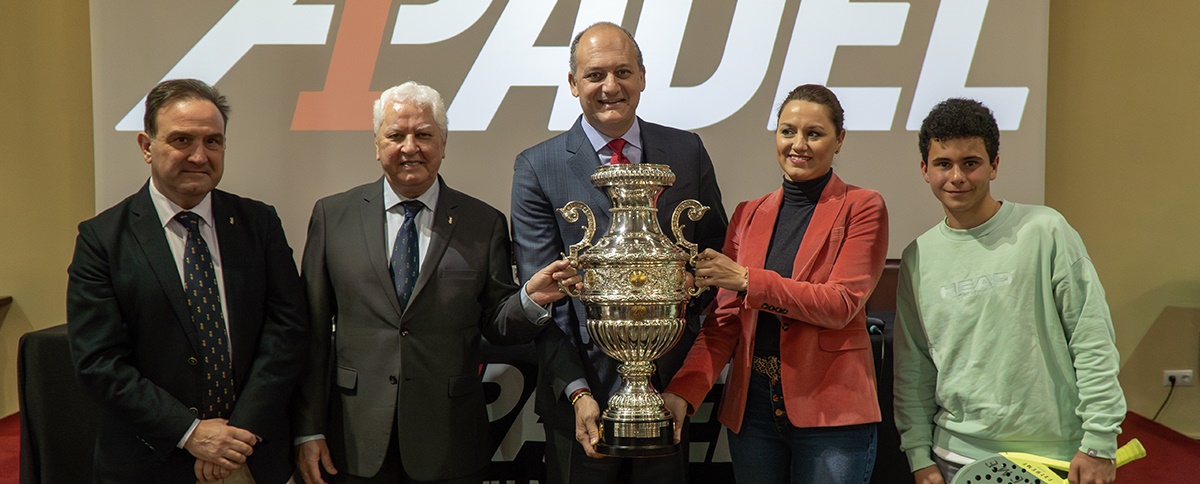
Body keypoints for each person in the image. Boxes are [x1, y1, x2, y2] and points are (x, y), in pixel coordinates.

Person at [291, 80, 581, 484]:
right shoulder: (332, 216)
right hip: (351, 440)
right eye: (396, 135)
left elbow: (497, 325)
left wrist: (531, 299)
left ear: (443, 144)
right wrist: (309, 428)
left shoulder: (483, 223)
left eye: (424, 135)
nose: (410, 147)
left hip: (450, 440)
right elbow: (314, 334)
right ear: (377, 146)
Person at [510, 21, 729, 484]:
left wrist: (681, 381)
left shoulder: (685, 150)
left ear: (643, 77)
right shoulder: (538, 165)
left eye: (623, 72)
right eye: (594, 75)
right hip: (580, 396)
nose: (611, 86)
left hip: (666, 394)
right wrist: (576, 391)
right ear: (573, 84)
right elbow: (542, 298)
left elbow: (714, 258)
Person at [66, 79, 308, 483]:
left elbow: (288, 332)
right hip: (151, 461)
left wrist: (237, 437)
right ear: (146, 146)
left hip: (250, 456)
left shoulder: (259, 223)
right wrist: (190, 433)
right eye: (182, 140)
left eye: (213, 142)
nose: (199, 156)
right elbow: (98, 361)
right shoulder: (103, 239)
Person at [661, 84, 888, 483]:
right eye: (788, 131)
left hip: (832, 413)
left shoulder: (863, 206)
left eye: (814, 134)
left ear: (839, 140)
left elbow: (839, 305)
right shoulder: (748, 214)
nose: (798, 144)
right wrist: (683, 392)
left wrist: (748, 279)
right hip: (752, 411)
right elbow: (723, 325)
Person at [893, 98, 1127, 484]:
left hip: (1055, 457)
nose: (957, 177)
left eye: (971, 162)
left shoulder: (1046, 230)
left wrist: (1100, 440)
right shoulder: (918, 257)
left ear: (994, 165)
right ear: (924, 170)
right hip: (955, 457)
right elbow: (914, 367)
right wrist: (919, 455)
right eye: (943, 164)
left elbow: (1091, 338)